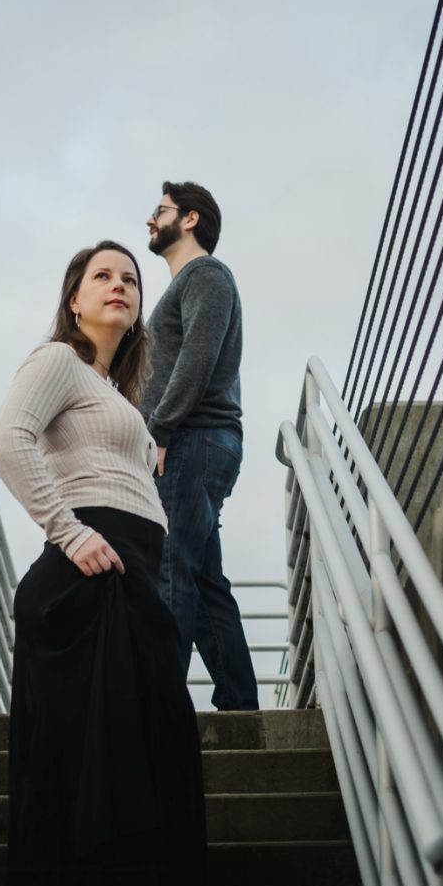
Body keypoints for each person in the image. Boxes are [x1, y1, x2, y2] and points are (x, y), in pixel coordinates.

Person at [0, 241, 208, 886]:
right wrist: (67, 530)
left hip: (133, 576)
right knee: (78, 767)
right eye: (102, 276)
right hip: (83, 581)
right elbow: (5, 438)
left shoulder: (118, 394)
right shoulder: (56, 360)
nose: (121, 286)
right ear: (74, 299)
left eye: (131, 278)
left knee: (148, 758)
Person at [142, 183, 258, 711]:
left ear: (188, 219)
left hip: (192, 439)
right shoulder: (191, 282)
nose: (150, 219)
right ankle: (239, 705)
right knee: (202, 577)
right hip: (196, 440)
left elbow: (198, 357)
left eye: (159, 211)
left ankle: (158, 707)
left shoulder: (205, 275)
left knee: (170, 568)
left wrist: (161, 428)